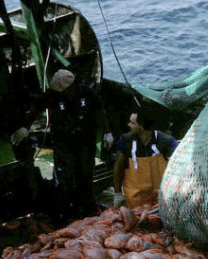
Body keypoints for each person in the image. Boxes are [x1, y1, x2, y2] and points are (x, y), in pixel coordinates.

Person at [12, 69, 113, 222]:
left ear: (71, 87)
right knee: (64, 179)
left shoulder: (87, 92)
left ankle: (88, 209)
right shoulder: (53, 96)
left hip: (85, 142)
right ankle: (65, 213)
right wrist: (26, 127)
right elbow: (36, 107)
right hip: (63, 144)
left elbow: (101, 110)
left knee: (85, 174)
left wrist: (107, 132)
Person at [113, 110, 178, 208]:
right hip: (135, 196)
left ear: (142, 126)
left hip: (160, 195)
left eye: (132, 123)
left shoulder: (166, 141)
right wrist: (117, 193)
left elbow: (179, 164)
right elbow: (118, 167)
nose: (129, 124)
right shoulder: (125, 140)